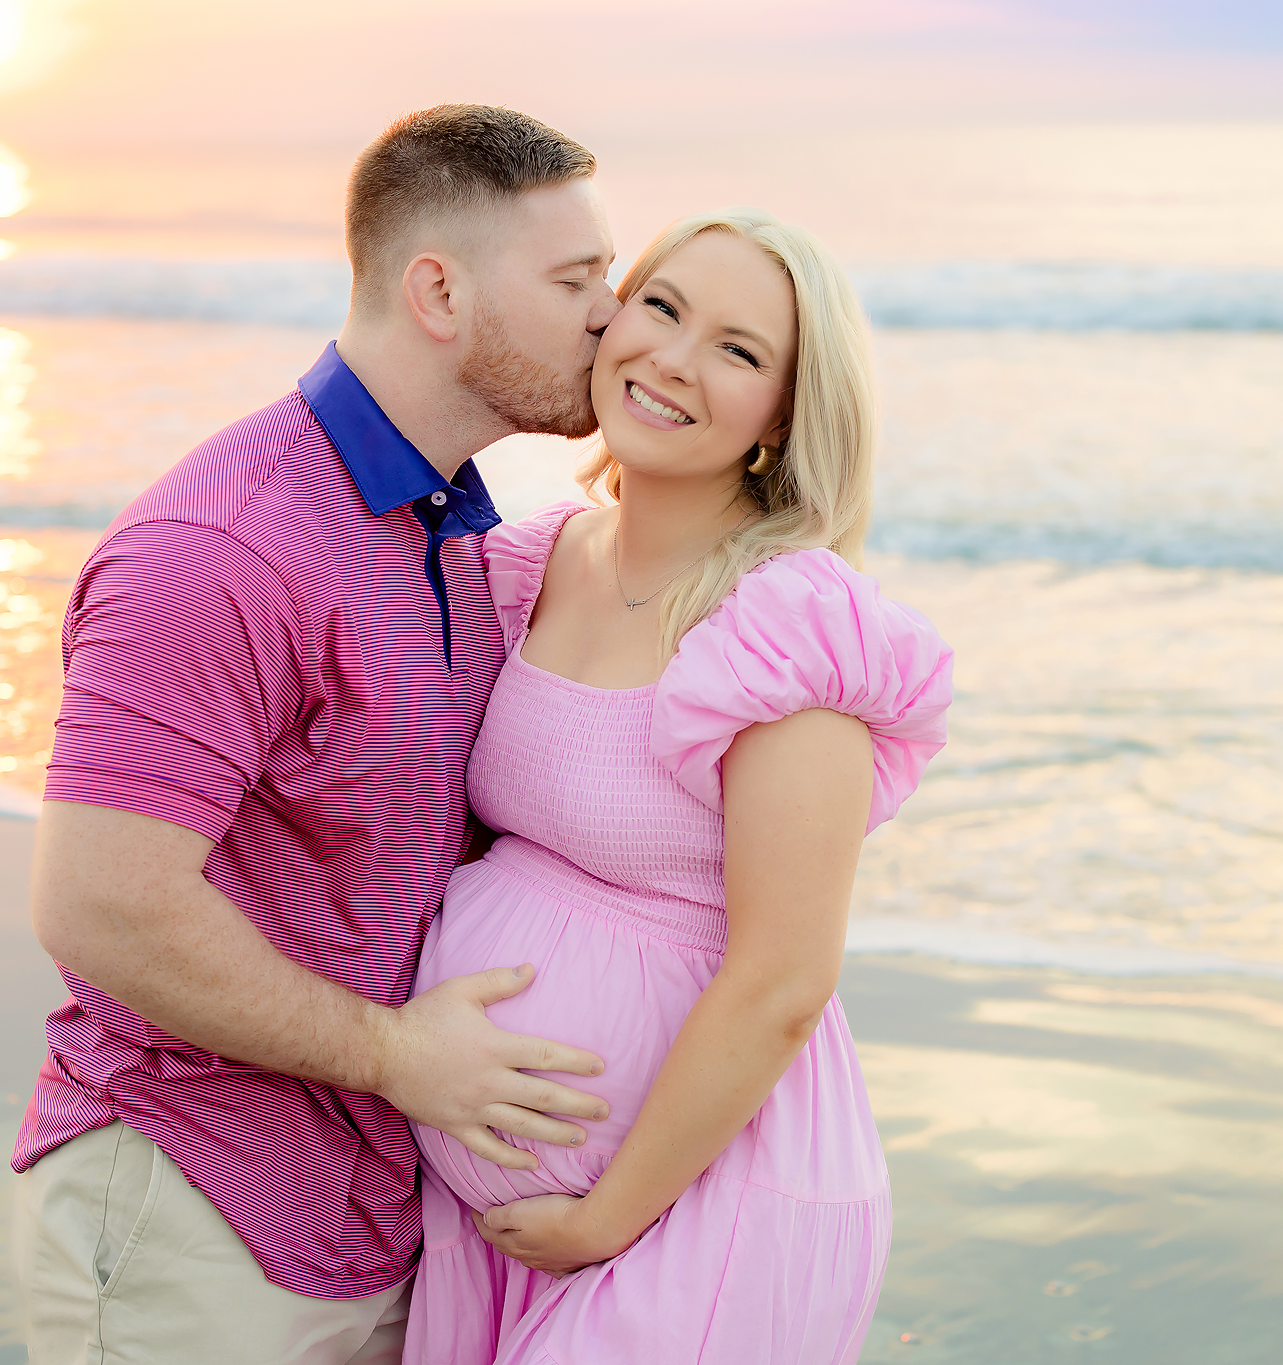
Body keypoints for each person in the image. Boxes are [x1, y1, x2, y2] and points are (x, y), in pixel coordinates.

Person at [7, 105, 627, 1365]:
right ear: (438, 292)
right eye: (574, 281)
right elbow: (101, 907)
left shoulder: (454, 534)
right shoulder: (222, 552)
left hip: (375, 1218)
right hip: (194, 1209)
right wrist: (396, 1055)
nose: (611, 314)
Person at [404, 210, 955, 1364]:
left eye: (738, 351)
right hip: (498, 1222)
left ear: (783, 418)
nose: (672, 360)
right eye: (661, 308)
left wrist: (605, 1218)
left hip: (699, 1208)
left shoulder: (789, 628)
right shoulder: (532, 560)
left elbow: (783, 980)